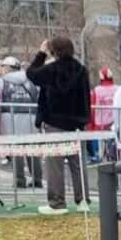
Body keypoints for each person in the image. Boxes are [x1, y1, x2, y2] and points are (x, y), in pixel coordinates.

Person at [26, 36, 91, 215]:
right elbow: (86, 96)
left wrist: (40, 53)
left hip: (55, 122)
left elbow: (31, 73)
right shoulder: (81, 70)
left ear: (53, 50)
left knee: (54, 164)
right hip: (77, 123)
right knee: (77, 164)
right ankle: (82, 200)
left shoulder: (51, 70)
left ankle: (57, 202)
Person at [0, 56, 41, 189]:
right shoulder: (31, 80)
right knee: (32, 150)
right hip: (31, 118)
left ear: (9, 68)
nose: (2, 70)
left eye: (4, 67)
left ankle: (19, 180)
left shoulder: (3, 82)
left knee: (16, 151)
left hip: (12, 119)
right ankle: (37, 179)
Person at [90, 67, 118, 162]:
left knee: (100, 151)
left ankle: (100, 157)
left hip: (100, 124)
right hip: (115, 123)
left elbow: (92, 109)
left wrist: (92, 126)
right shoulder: (117, 89)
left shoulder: (96, 90)